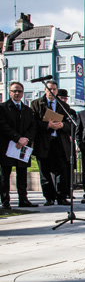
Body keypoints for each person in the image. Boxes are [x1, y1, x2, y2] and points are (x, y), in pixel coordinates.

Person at [30, 79, 75, 206]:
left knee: (61, 170)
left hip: (59, 142)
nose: (52, 91)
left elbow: (71, 124)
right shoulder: (36, 104)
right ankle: (49, 197)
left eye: (54, 89)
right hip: (44, 142)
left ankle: (62, 196)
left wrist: (62, 125)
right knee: (44, 171)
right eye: (49, 89)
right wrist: (47, 125)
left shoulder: (63, 106)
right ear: (45, 90)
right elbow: (33, 123)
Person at [0, 81, 37, 209]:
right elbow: (3, 125)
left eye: (19, 91)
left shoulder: (27, 110)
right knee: (5, 174)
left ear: (22, 93)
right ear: (9, 92)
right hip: (9, 145)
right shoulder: (3, 107)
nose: (17, 93)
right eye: (14, 91)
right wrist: (17, 138)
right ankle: (5, 201)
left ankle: (23, 199)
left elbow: (33, 126)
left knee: (22, 173)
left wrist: (26, 139)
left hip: (23, 146)